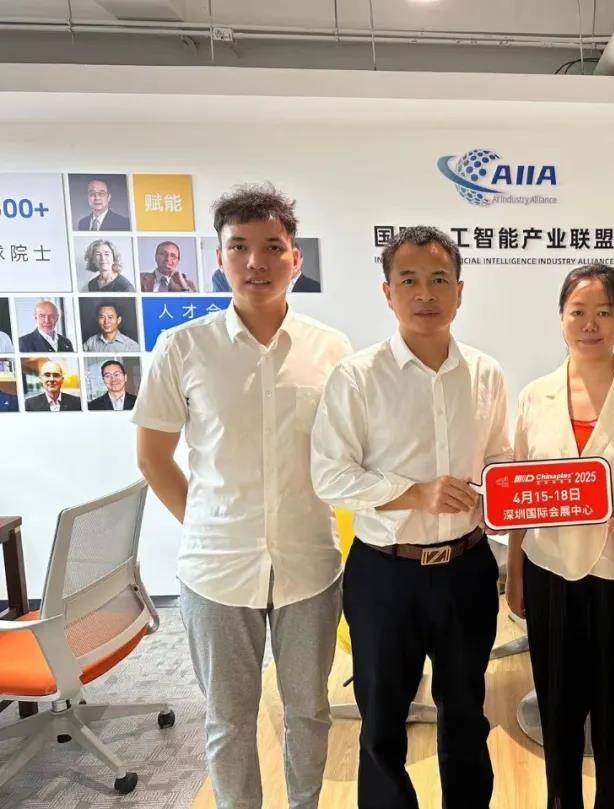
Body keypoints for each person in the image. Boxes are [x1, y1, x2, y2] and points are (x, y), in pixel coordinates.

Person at [134, 184, 351, 809]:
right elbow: (153, 457)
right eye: (240, 247)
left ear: (295, 258)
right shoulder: (183, 347)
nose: (257, 262)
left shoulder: (331, 350)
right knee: (229, 719)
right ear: (220, 257)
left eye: (273, 247)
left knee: (309, 710)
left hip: (309, 563)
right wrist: (205, 522)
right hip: (215, 569)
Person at [311, 225, 511, 809]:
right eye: (409, 280)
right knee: (381, 721)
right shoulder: (357, 376)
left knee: (467, 714)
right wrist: (415, 494)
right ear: (388, 292)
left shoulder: (486, 374)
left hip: (467, 570)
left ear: (460, 291)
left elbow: (500, 461)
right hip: (385, 574)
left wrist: (501, 497)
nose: (425, 293)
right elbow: (330, 476)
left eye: (440, 279)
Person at [504, 264, 614, 809]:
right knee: (558, 706)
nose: (590, 324)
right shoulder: (535, 397)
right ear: (561, 318)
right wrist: (516, 575)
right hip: (550, 569)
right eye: (578, 312)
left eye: (604, 312)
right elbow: (520, 493)